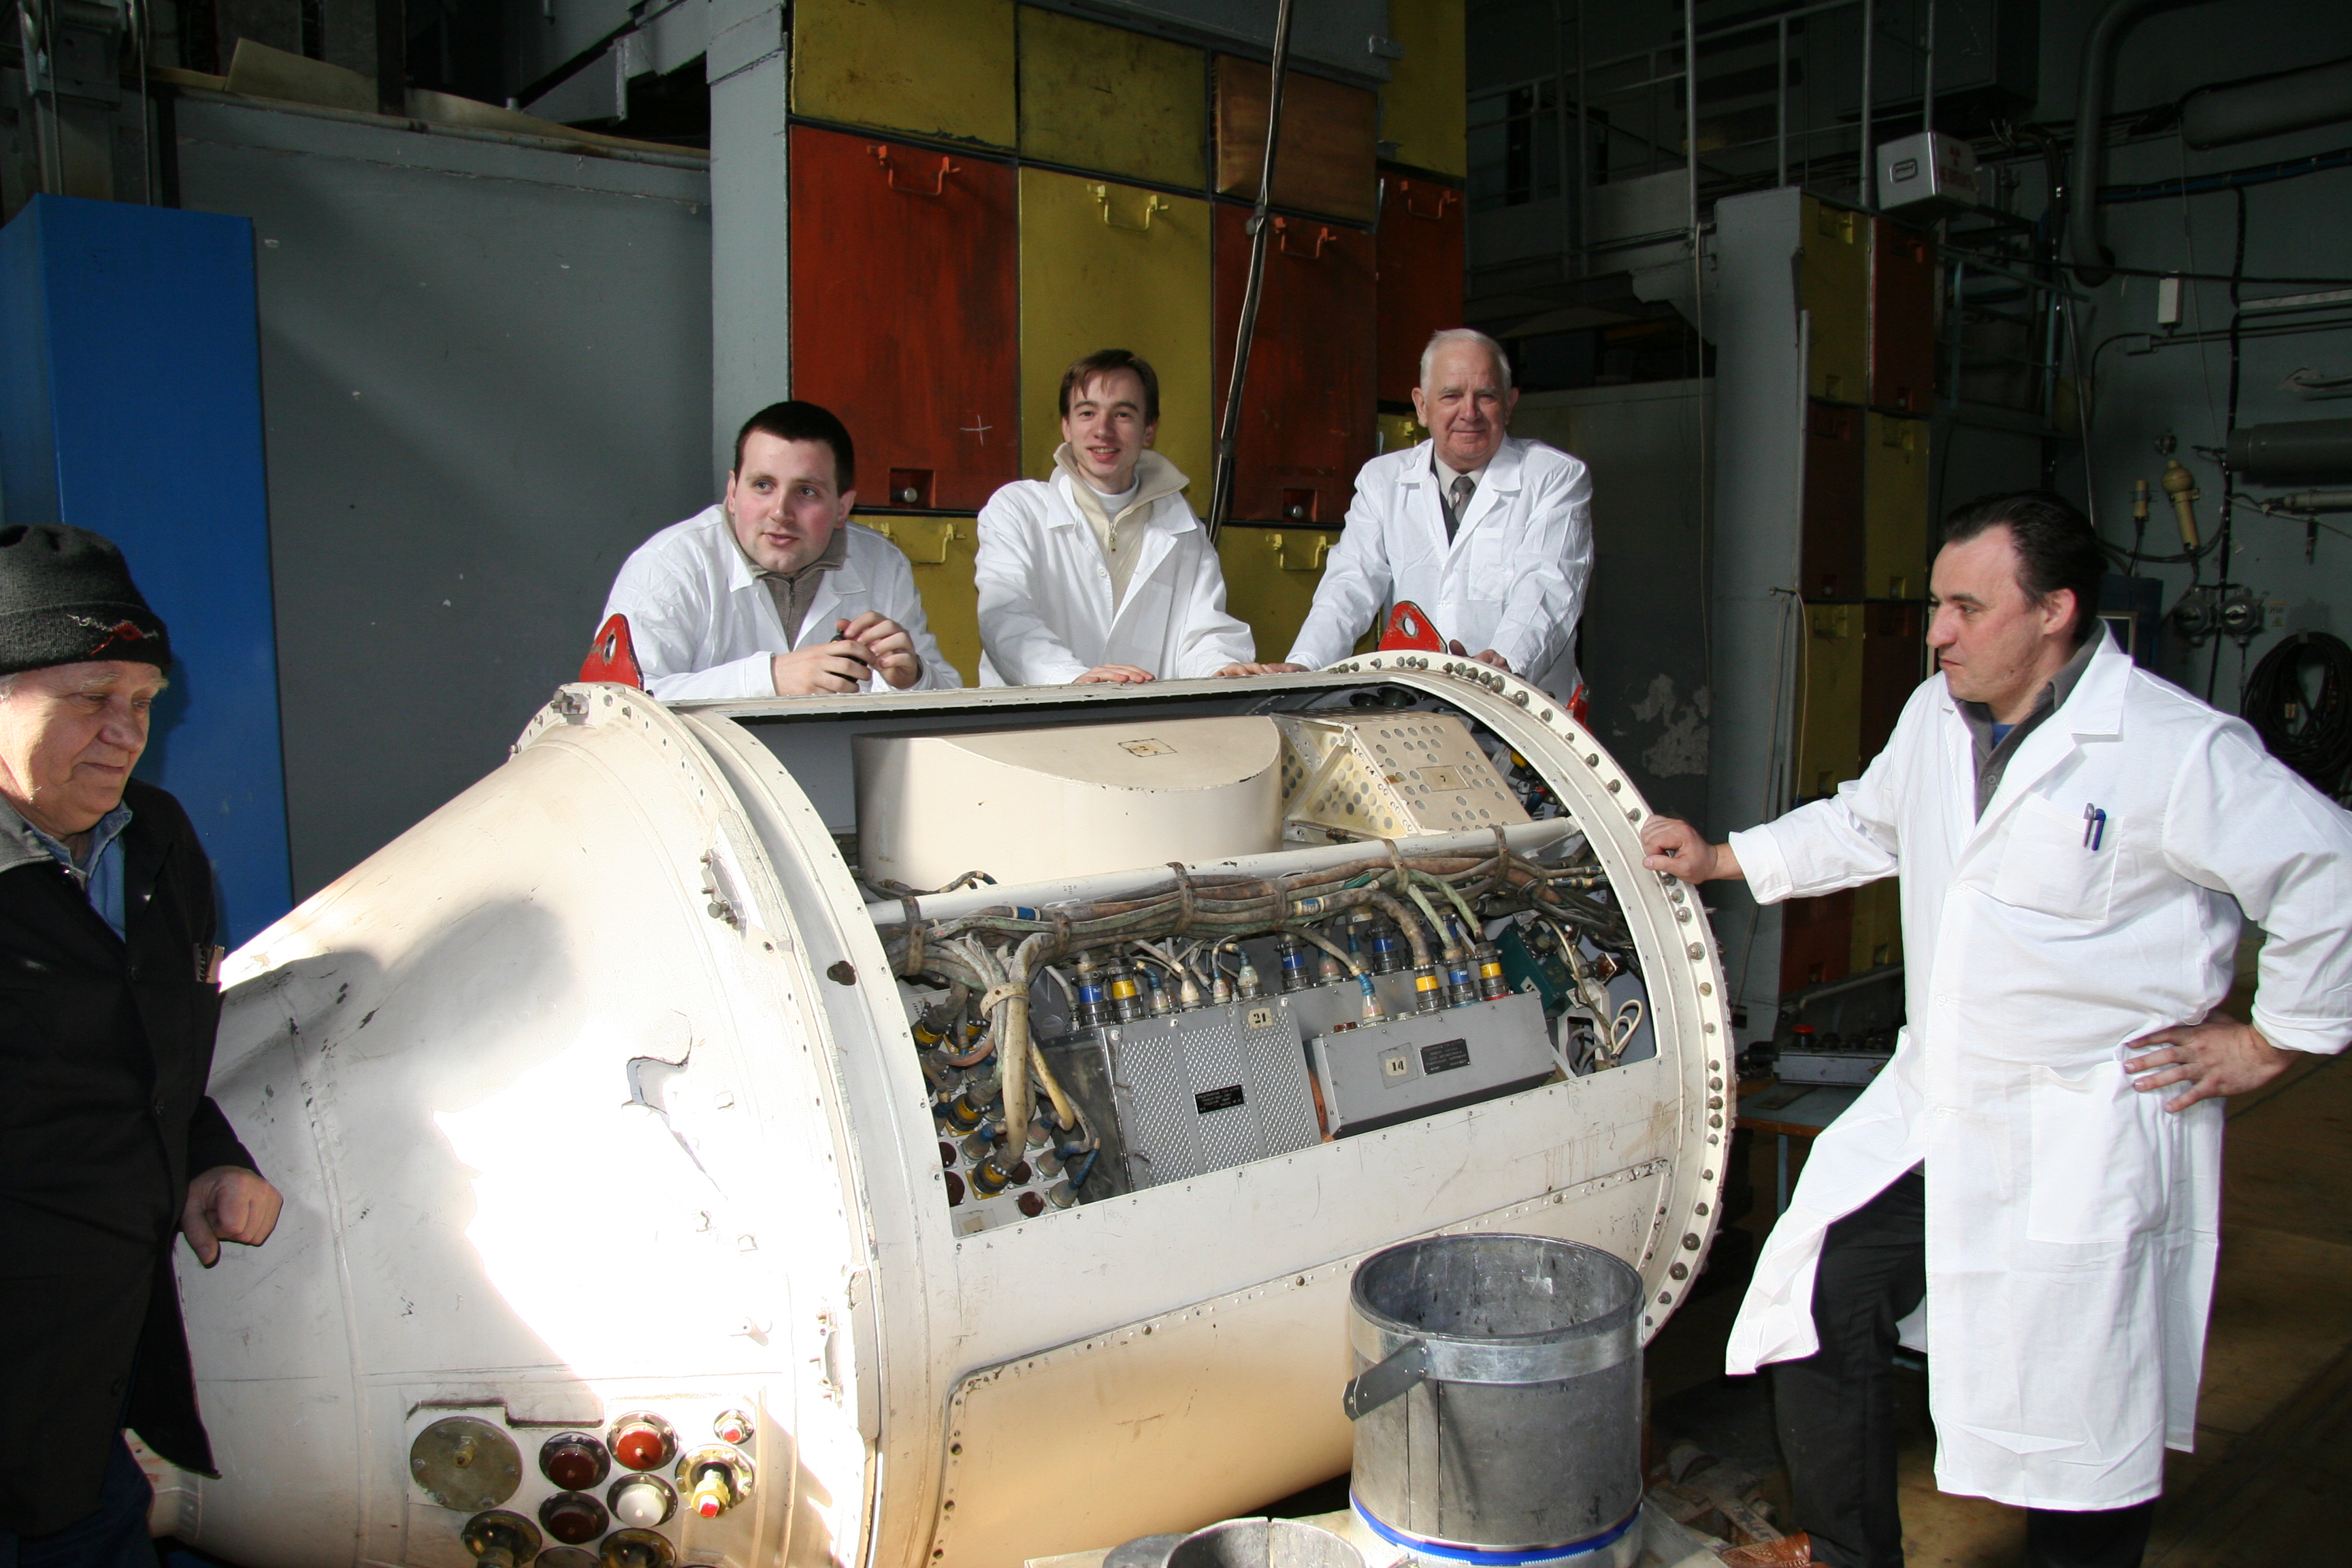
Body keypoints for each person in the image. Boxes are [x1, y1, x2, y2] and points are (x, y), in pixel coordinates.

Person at [1637, 492, 2352, 1568]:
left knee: (2082, 1407)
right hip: (1942, 1098)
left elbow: (2329, 872)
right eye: (1937, 605)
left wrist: (2272, 1041)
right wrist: (1725, 859)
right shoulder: (1939, 716)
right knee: (1822, 1296)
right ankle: (1844, 1551)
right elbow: (1866, 820)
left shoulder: (2173, 749)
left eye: (1966, 608)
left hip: (2083, 1124)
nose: (1937, 633)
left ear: (2056, 610)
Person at [0, 524, 284, 1565]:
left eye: (143, 702)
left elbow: (147, 1053)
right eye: (88, 699)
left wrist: (205, 1154)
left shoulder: (155, 841)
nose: (124, 733)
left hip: (92, 1400)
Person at [1230, 329, 1594, 708]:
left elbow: (1548, 585)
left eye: (1485, 396)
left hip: (1525, 709)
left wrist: (1505, 664)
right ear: (1421, 406)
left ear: (1510, 403)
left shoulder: (1553, 477)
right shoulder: (1382, 479)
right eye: (1451, 396)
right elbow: (1350, 583)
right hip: (1416, 708)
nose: (1469, 413)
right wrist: (1306, 665)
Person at [603, 400, 960, 700]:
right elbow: (616, 705)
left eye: (806, 492)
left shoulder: (882, 564)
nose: (780, 512)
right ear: (731, 491)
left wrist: (914, 679)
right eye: (762, 485)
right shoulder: (669, 564)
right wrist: (769, 678)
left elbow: (951, 699)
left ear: (842, 508)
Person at [975, 348, 1254, 685]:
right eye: (1087, 412)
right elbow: (1005, 616)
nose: (1102, 430)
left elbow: (1203, 633)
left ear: (1148, 430)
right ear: (1066, 426)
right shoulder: (1017, 510)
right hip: (1035, 724)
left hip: (1140, 728)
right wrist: (1069, 678)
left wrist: (1221, 669)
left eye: (1122, 414)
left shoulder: (1183, 529)